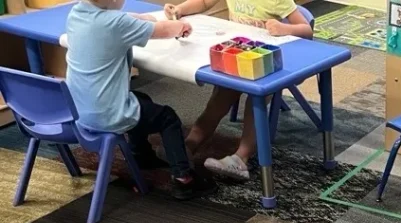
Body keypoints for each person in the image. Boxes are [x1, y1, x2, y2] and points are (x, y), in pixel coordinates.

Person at [65, 0, 217, 200]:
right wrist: (181, 26)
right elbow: (161, 30)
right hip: (107, 114)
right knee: (167, 117)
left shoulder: (76, 14)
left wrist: (140, 18)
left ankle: (141, 155)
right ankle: (184, 179)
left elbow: (118, 19)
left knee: (141, 98)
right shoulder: (116, 23)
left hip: (79, 109)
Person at [163, 0, 313, 181]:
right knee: (218, 101)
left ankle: (241, 158)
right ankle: (190, 144)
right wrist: (180, 9)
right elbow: (203, 2)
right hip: (236, 57)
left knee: (256, 102)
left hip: (264, 63)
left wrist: (284, 28)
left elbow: (306, 29)